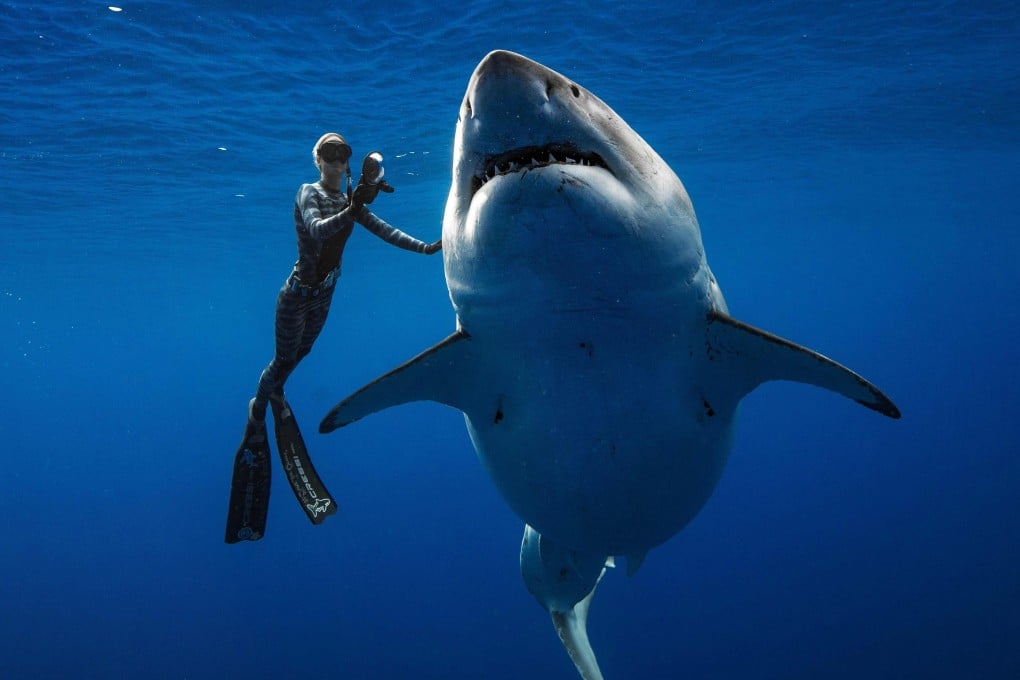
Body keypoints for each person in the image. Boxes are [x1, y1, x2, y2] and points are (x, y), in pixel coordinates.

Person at [225, 132, 440, 541]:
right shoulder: (308, 193)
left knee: (301, 354)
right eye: (330, 153)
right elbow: (318, 229)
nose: (337, 160)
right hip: (296, 297)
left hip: (324, 296)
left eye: (343, 154)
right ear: (318, 160)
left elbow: (384, 230)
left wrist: (427, 248)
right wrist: (354, 207)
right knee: (283, 360)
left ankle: (276, 391)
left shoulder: (348, 201)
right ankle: (258, 409)